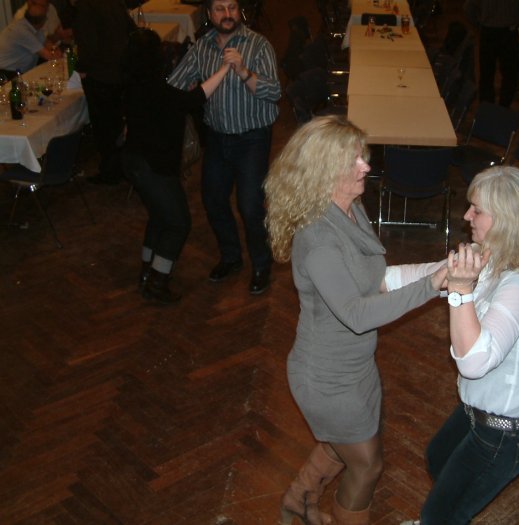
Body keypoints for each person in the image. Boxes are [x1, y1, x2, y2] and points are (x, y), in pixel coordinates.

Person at [264, 115, 448, 525]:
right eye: (354, 160)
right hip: (325, 376)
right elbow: (356, 313)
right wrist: (431, 285)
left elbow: (375, 279)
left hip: (357, 364)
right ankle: (302, 503)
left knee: (342, 443)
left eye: (363, 155)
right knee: (367, 464)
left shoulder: (350, 209)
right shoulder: (318, 240)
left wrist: (439, 270)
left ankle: (297, 501)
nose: (366, 165)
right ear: (325, 169)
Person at [402, 166, 519, 525]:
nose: (466, 216)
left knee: (439, 514)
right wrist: (367, 281)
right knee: (438, 458)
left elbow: (473, 363)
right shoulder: (488, 256)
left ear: (506, 219)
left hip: (506, 433)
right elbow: (425, 275)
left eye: (477, 210)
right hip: (478, 413)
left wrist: (460, 291)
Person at [168, 0, 281, 295]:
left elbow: (274, 92)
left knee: (250, 205)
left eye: (231, 7)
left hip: (252, 138)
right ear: (209, 14)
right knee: (214, 200)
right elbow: (174, 86)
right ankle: (231, 257)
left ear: (239, 10)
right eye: (220, 8)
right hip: (217, 138)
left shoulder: (258, 45)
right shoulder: (202, 47)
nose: (227, 14)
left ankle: (261, 263)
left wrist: (243, 71)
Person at [121, 28, 232, 304]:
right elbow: (194, 100)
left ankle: (146, 272)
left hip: (134, 162)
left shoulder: (133, 84)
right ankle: (157, 282)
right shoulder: (157, 90)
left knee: (159, 217)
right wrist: (224, 69)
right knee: (179, 223)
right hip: (153, 167)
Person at [73, 0, 138, 186]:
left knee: (104, 128)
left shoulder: (86, 7)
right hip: (119, 72)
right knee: (117, 123)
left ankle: (110, 172)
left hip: (100, 75)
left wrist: (82, 69)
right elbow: (131, 29)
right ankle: (121, 167)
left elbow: (88, 45)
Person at [464, 0, 519, 107]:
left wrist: (479, 24)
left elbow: (468, 7)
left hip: (488, 32)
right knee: (510, 75)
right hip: (509, 33)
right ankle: (503, 108)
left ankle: (486, 108)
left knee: (486, 74)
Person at [0, 0, 61, 76]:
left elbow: (48, 44)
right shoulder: (22, 31)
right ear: (43, 22)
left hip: (17, 73)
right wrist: (56, 52)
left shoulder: (33, 28)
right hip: (6, 74)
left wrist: (55, 49)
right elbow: (49, 56)